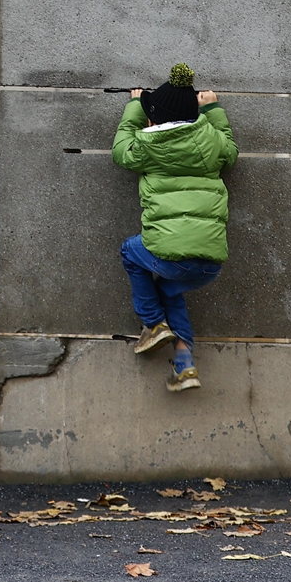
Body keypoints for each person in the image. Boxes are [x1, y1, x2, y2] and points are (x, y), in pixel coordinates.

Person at [111, 64, 237, 392]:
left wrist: (134, 108)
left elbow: (120, 152)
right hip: (209, 264)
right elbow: (230, 151)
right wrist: (212, 109)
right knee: (170, 290)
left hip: (169, 253)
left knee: (130, 251)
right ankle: (185, 365)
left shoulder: (148, 146)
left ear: (154, 119)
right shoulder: (210, 142)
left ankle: (152, 324)